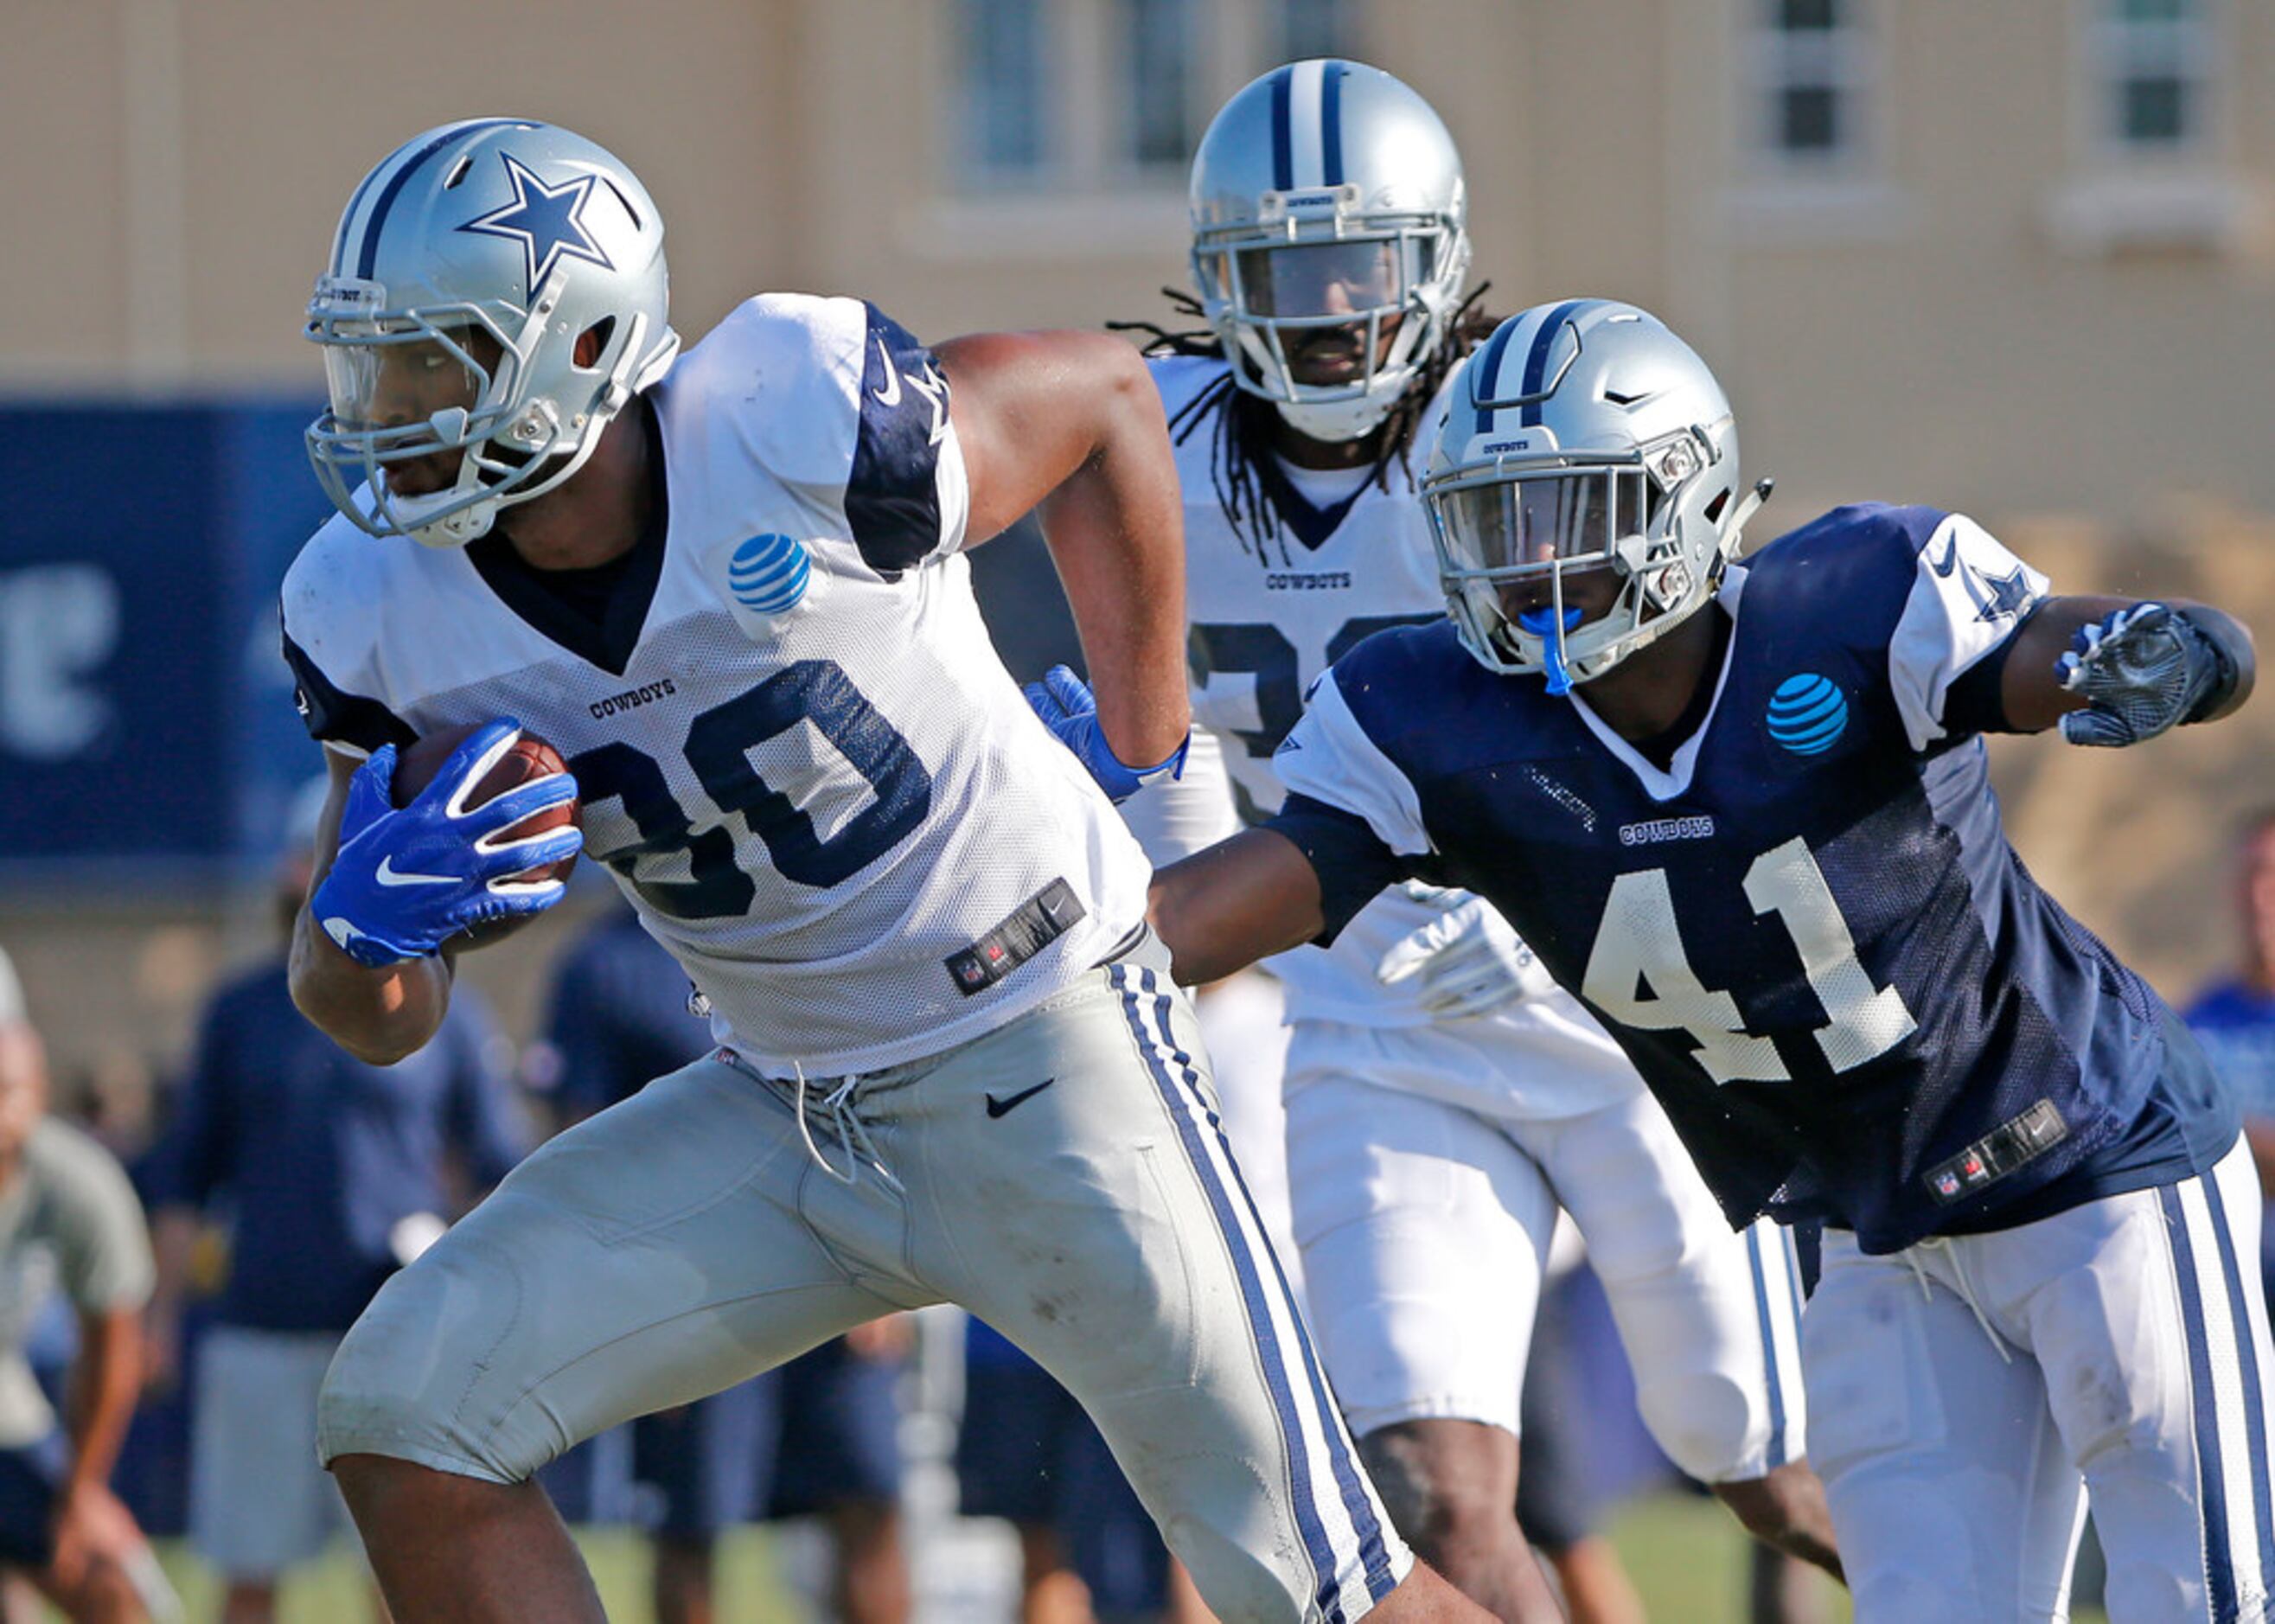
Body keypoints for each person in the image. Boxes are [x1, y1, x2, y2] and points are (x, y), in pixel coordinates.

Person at [278, 118, 1480, 1623]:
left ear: (581, 343)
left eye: (433, 366)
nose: (388, 412)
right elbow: (367, 1008)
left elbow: (1111, 401)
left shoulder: (789, 416)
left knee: (1328, 1593)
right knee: (407, 1414)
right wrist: (355, 931)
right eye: (375, 367)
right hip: (779, 1103)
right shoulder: (374, 608)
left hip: (1042, 1049)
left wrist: (1160, 770)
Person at [1041, 294, 2275, 1621]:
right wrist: (1046, 910)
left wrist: (2153, 654)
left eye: (1559, 512)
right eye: (1487, 521)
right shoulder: (1436, 715)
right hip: (1873, 1229)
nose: (1523, 562)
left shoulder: (1845, 602)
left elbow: (2062, 650)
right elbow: (1214, 915)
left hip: (2086, 1157)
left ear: (1675, 492)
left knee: (2203, 1593)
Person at [1098, 61, 1837, 1621]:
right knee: (1427, 1486)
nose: (1321, 315)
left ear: (1434, 258)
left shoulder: (1519, 421)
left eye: (1355, 265)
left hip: (1611, 993)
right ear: (1212, 278)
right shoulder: (1146, 437)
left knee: (1766, 1466)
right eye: (1276, 274)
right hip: (1370, 1008)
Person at [142, 783, 527, 1624]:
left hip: (398, 1330)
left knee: (401, 1580)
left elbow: (499, 1168)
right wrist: (162, 1313)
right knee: (249, 1572)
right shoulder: (242, 1010)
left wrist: (485, 1303)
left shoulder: (447, 1012)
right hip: (263, 1327)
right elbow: (185, 1175)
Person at [530, 904, 911, 1624]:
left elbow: (878, 1090)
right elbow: (585, 1152)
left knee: (869, 1501)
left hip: (838, 1269)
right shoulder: (604, 962)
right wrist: (638, 1305)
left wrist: (891, 1268)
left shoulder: (814, 922)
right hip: (698, 1292)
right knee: (691, 1526)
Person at [0, 952, 174, 1623]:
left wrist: (80, 1493)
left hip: (7, 1414)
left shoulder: (76, 1183)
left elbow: (112, 1351)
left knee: (116, 1584)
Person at [2184, 808, 2275, 1307]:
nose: (2260, 898)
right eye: (2250, 877)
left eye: (2273, 877)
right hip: (2230, 1253)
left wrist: (2231, 1140)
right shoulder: (2197, 1023)